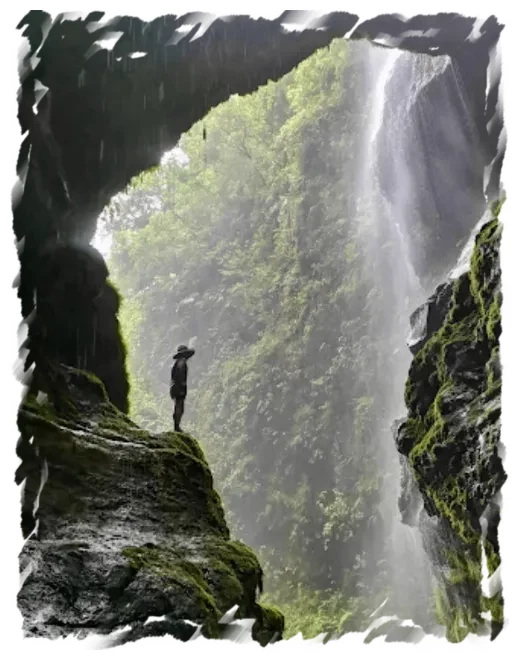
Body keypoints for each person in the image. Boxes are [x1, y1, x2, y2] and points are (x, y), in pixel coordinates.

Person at [170, 344, 195, 432]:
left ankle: (176, 426)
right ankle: (176, 426)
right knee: (179, 406)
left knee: (179, 406)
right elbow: (180, 375)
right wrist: (182, 384)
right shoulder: (181, 362)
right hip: (179, 387)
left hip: (176, 387)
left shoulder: (178, 363)